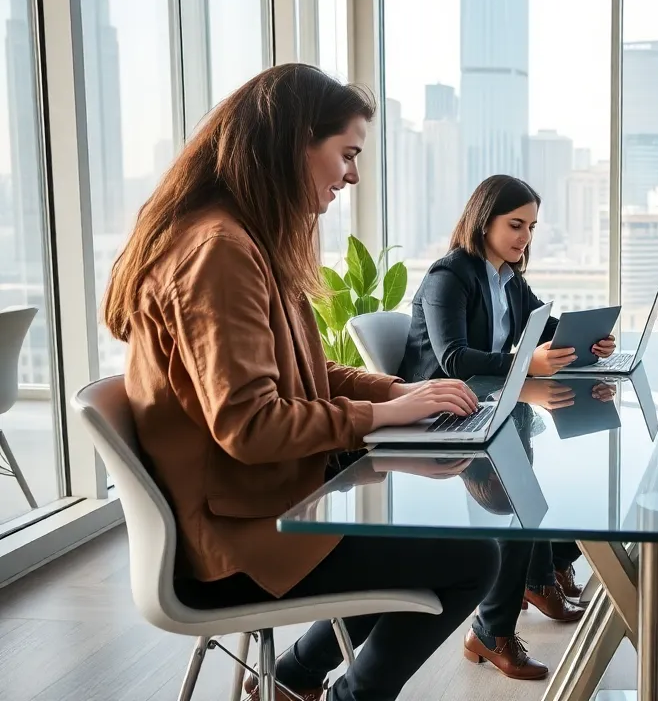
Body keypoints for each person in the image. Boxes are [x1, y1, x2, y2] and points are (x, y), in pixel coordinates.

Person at [103, 63, 498, 701]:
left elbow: (306, 372)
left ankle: (291, 679)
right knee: (474, 557)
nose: (353, 174)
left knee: (419, 536)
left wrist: (395, 394)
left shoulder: (243, 239)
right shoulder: (220, 252)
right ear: (294, 146)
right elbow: (251, 426)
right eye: (346, 154)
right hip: (236, 543)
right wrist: (381, 417)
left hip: (264, 506)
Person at [397, 174, 610, 680]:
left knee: (561, 480)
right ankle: (491, 631)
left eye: (532, 227)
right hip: (439, 416)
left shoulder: (508, 278)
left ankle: (541, 575)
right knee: (519, 503)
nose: (525, 238)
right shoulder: (450, 275)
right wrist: (524, 364)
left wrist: (593, 340)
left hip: (487, 409)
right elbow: (451, 359)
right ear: (483, 220)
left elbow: (544, 328)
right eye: (516, 225)